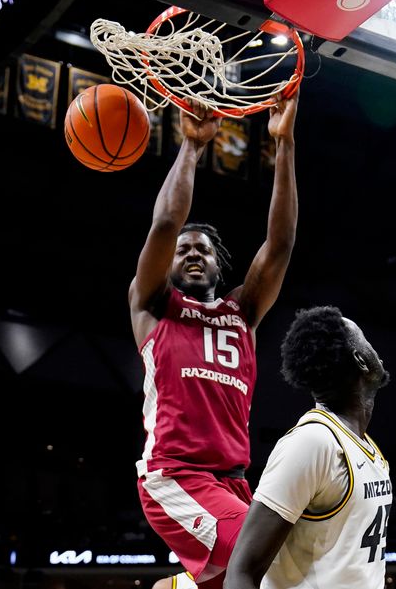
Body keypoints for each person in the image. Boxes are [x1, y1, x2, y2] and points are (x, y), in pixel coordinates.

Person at [129, 92, 299, 589]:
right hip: (176, 475)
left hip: (233, 482)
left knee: (272, 565)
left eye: (202, 248)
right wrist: (192, 147)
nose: (192, 252)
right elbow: (165, 222)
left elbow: (281, 243)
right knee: (276, 566)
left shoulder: (242, 313)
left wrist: (284, 142)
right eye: (183, 249)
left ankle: (175, 587)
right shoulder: (153, 306)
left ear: (219, 265)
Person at [224, 306, 392, 589]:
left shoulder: (364, 446)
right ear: (361, 361)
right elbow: (240, 572)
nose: (376, 349)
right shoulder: (313, 443)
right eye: (366, 339)